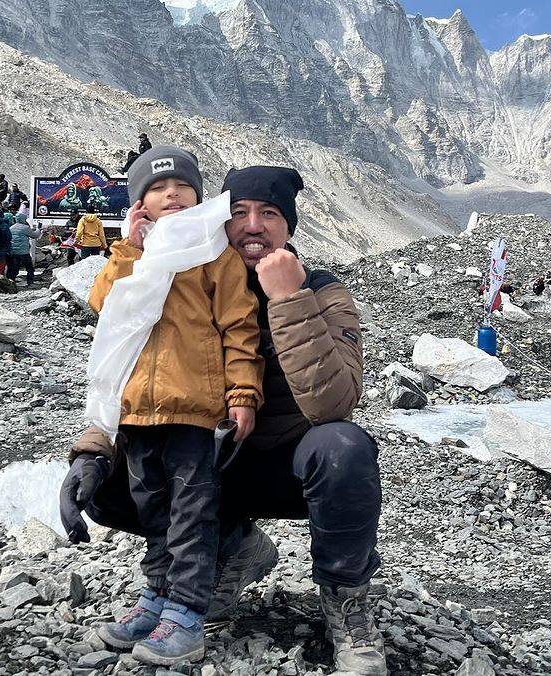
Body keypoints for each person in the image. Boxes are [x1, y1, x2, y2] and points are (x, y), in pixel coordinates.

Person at [64, 165, 385, 675]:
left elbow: (333, 404)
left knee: (343, 446)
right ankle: (234, 548)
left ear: (290, 226)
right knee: (108, 484)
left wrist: (287, 298)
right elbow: (124, 366)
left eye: (270, 213)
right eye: (239, 213)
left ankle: (346, 605)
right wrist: (92, 447)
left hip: (286, 468)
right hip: (205, 464)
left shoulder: (322, 291)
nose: (253, 225)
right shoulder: (175, 278)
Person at [85, 147, 263, 666]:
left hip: (194, 411)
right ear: (141, 204)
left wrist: (242, 394)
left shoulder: (214, 256)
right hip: (138, 412)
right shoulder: (135, 256)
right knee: (153, 512)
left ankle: (188, 612)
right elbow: (104, 305)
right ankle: (156, 599)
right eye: (159, 191)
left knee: (191, 514)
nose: (172, 196)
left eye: (183, 188)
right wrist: (127, 249)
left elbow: (240, 328)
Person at [8, 213, 41, 286]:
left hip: (13, 252)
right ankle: (30, 282)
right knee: (29, 268)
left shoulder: (11, 228)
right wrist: (39, 229)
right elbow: (35, 235)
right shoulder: (25, 228)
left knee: (14, 268)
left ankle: (10, 282)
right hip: (23, 252)